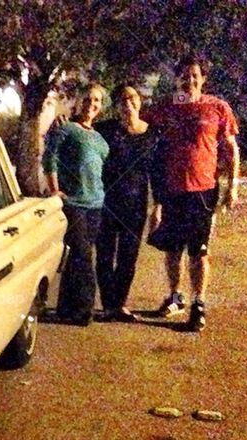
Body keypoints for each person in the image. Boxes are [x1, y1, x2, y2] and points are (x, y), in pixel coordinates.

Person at [146, 55, 240, 331]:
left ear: (203, 79)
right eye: (184, 76)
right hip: (173, 191)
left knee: (199, 252)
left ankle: (199, 303)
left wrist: (231, 186)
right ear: (177, 79)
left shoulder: (218, 108)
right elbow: (134, 121)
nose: (189, 81)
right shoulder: (167, 108)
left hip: (203, 191)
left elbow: (231, 149)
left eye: (194, 76)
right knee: (172, 249)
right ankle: (175, 297)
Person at [42, 83, 109, 326]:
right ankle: (84, 310)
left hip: (96, 204)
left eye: (97, 101)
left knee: (77, 257)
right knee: (83, 254)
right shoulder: (66, 128)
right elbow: (50, 157)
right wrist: (54, 189)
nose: (92, 104)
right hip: (74, 203)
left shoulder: (100, 138)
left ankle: (65, 307)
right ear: (78, 101)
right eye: (88, 99)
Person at [94, 84, 158, 322]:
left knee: (128, 257)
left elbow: (157, 172)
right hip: (106, 204)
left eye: (131, 97)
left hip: (136, 205)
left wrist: (158, 205)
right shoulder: (105, 130)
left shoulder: (152, 134)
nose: (127, 102)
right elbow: (79, 128)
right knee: (104, 255)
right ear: (117, 105)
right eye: (121, 99)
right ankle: (109, 305)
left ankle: (119, 303)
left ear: (139, 100)